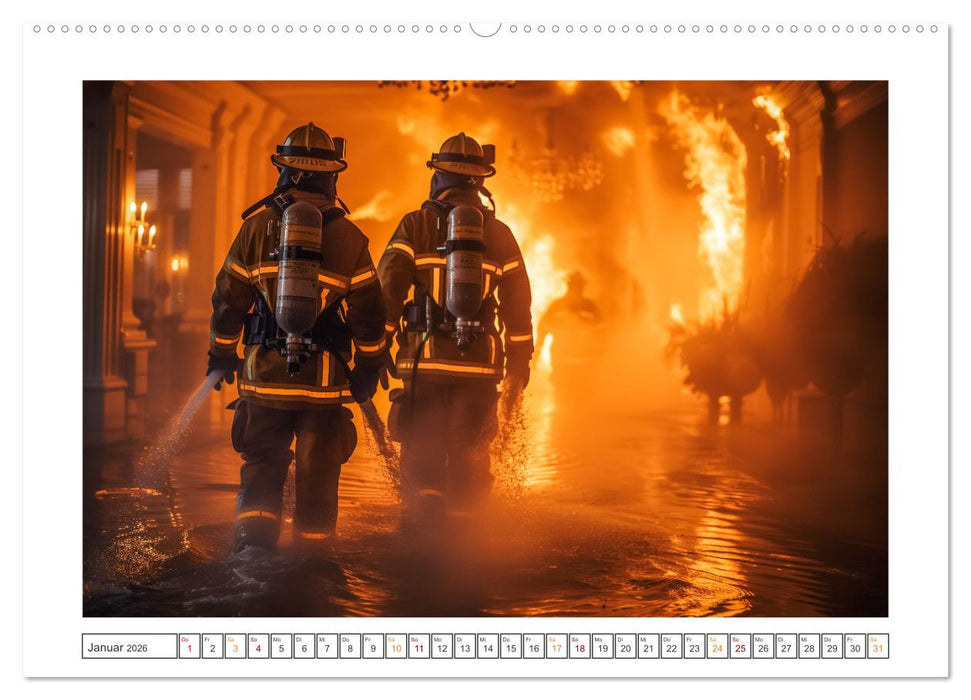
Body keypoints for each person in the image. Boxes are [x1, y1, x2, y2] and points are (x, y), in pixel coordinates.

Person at [206, 123, 388, 552]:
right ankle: (311, 561)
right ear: (332, 177)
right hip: (323, 386)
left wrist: (222, 353)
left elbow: (229, 301)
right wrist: (369, 364)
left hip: (265, 381)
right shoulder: (350, 238)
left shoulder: (255, 230)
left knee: (262, 466)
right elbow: (368, 313)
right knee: (318, 475)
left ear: (284, 172)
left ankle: (253, 553)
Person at [377, 133, 533, 525]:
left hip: (424, 365)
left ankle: (423, 532)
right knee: (470, 452)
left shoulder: (415, 225)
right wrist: (520, 362)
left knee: (423, 450)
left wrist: (373, 348)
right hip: (480, 366)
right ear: (479, 180)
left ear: (438, 176)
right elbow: (518, 306)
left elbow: (389, 290)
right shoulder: (499, 234)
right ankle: (467, 537)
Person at [536, 270, 602, 374]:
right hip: (562, 364)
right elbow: (542, 330)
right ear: (569, 286)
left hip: (585, 365)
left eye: (579, 287)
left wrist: (599, 359)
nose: (577, 290)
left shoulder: (591, 308)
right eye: (574, 286)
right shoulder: (557, 307)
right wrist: (535, 356)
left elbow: (600, 334)